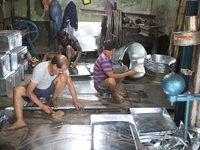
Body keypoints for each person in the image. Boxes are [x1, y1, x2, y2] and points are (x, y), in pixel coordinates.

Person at [7, 55, 84, 130]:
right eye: (60, 70)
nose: (61, 72)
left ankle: (54, 99)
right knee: (17, 90)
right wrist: (42, 106)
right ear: (54, 66)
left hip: (49, 88)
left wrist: (76, 102)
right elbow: (29, 91)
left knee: (64, 77)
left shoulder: (63, 68)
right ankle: (20, 121)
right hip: (37, 90)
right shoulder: (40, 69)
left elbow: (70, 85)